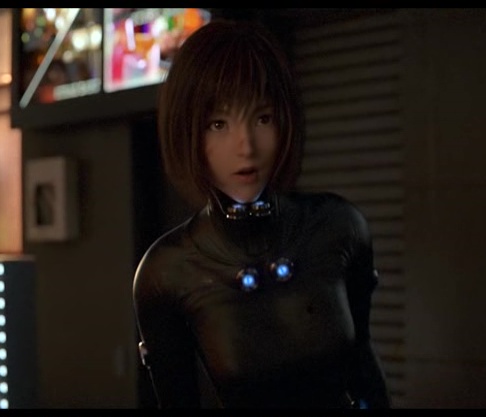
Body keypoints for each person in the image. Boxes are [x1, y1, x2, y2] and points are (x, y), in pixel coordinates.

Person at [132, 18, 391, 409]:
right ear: (187, 131)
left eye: (262, 118)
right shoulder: (165, 272)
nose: (246, 146)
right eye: (218, 124)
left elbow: (364, 369)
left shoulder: (341, 226)